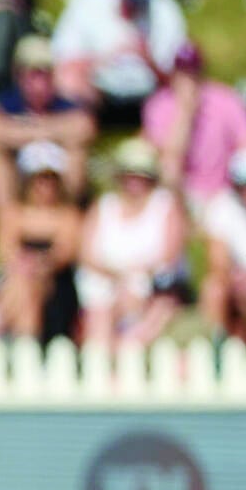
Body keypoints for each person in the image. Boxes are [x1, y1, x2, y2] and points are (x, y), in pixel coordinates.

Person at [52, 0, 186, 124]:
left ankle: (155, 131)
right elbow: (64, 56)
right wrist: (104, 59)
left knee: (186, 87)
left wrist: (147, 58)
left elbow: (176, 74)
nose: (135, 5)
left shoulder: (166, 11)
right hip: (99, 90)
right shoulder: (89, 1)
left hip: (150, 93)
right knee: (65, 79)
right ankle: (81, 127)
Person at [75, 138, 188, 346]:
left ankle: (123, 354)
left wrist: (135, 278)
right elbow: (86, 256)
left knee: (145, 311)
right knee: (100, 315)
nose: (135, 181)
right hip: (105, 288)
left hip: (154, 292)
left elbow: (169, 257)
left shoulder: (165, 204)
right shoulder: (104, 205)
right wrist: (119, 278)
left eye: (141, 174)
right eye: (130, 174)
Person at [0, 35, 96, 212]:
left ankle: (67, 213)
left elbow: (84, 127)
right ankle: (7, 216)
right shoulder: (6, 102)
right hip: (18, 172)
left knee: (76, 151)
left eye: (45, 75)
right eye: (33, 75)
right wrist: (40, 131)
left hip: (57, 172)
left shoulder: (65, 104)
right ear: (18, 75)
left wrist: (18, 130)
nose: (39, 84)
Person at [142, 42, 246, 214]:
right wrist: (186, 112)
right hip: (183, 190)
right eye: (183, 72)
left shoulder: (225, 98)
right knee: (169, 167)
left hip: (224, 191)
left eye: (193, 72)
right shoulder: (158, 105)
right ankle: (181, 216)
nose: (188, 78)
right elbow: (167, 155)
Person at [0, 141, 82, 342]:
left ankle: (3, 333)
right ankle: (23, 338)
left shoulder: (69, 215)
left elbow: (64, 253)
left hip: (56, 283)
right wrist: (27, 267)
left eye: (51, 180)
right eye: (39, 180)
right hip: (20, 278)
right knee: (23, 287)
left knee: (25, 288)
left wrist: (37, 265)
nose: (45, 187)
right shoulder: (12, 213)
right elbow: (6, 254)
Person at [200, 146, 246, 342]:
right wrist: (239, 278)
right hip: (237, 284)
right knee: (214, 289)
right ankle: (216, 348)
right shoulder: (222, 207)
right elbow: (218, 263)